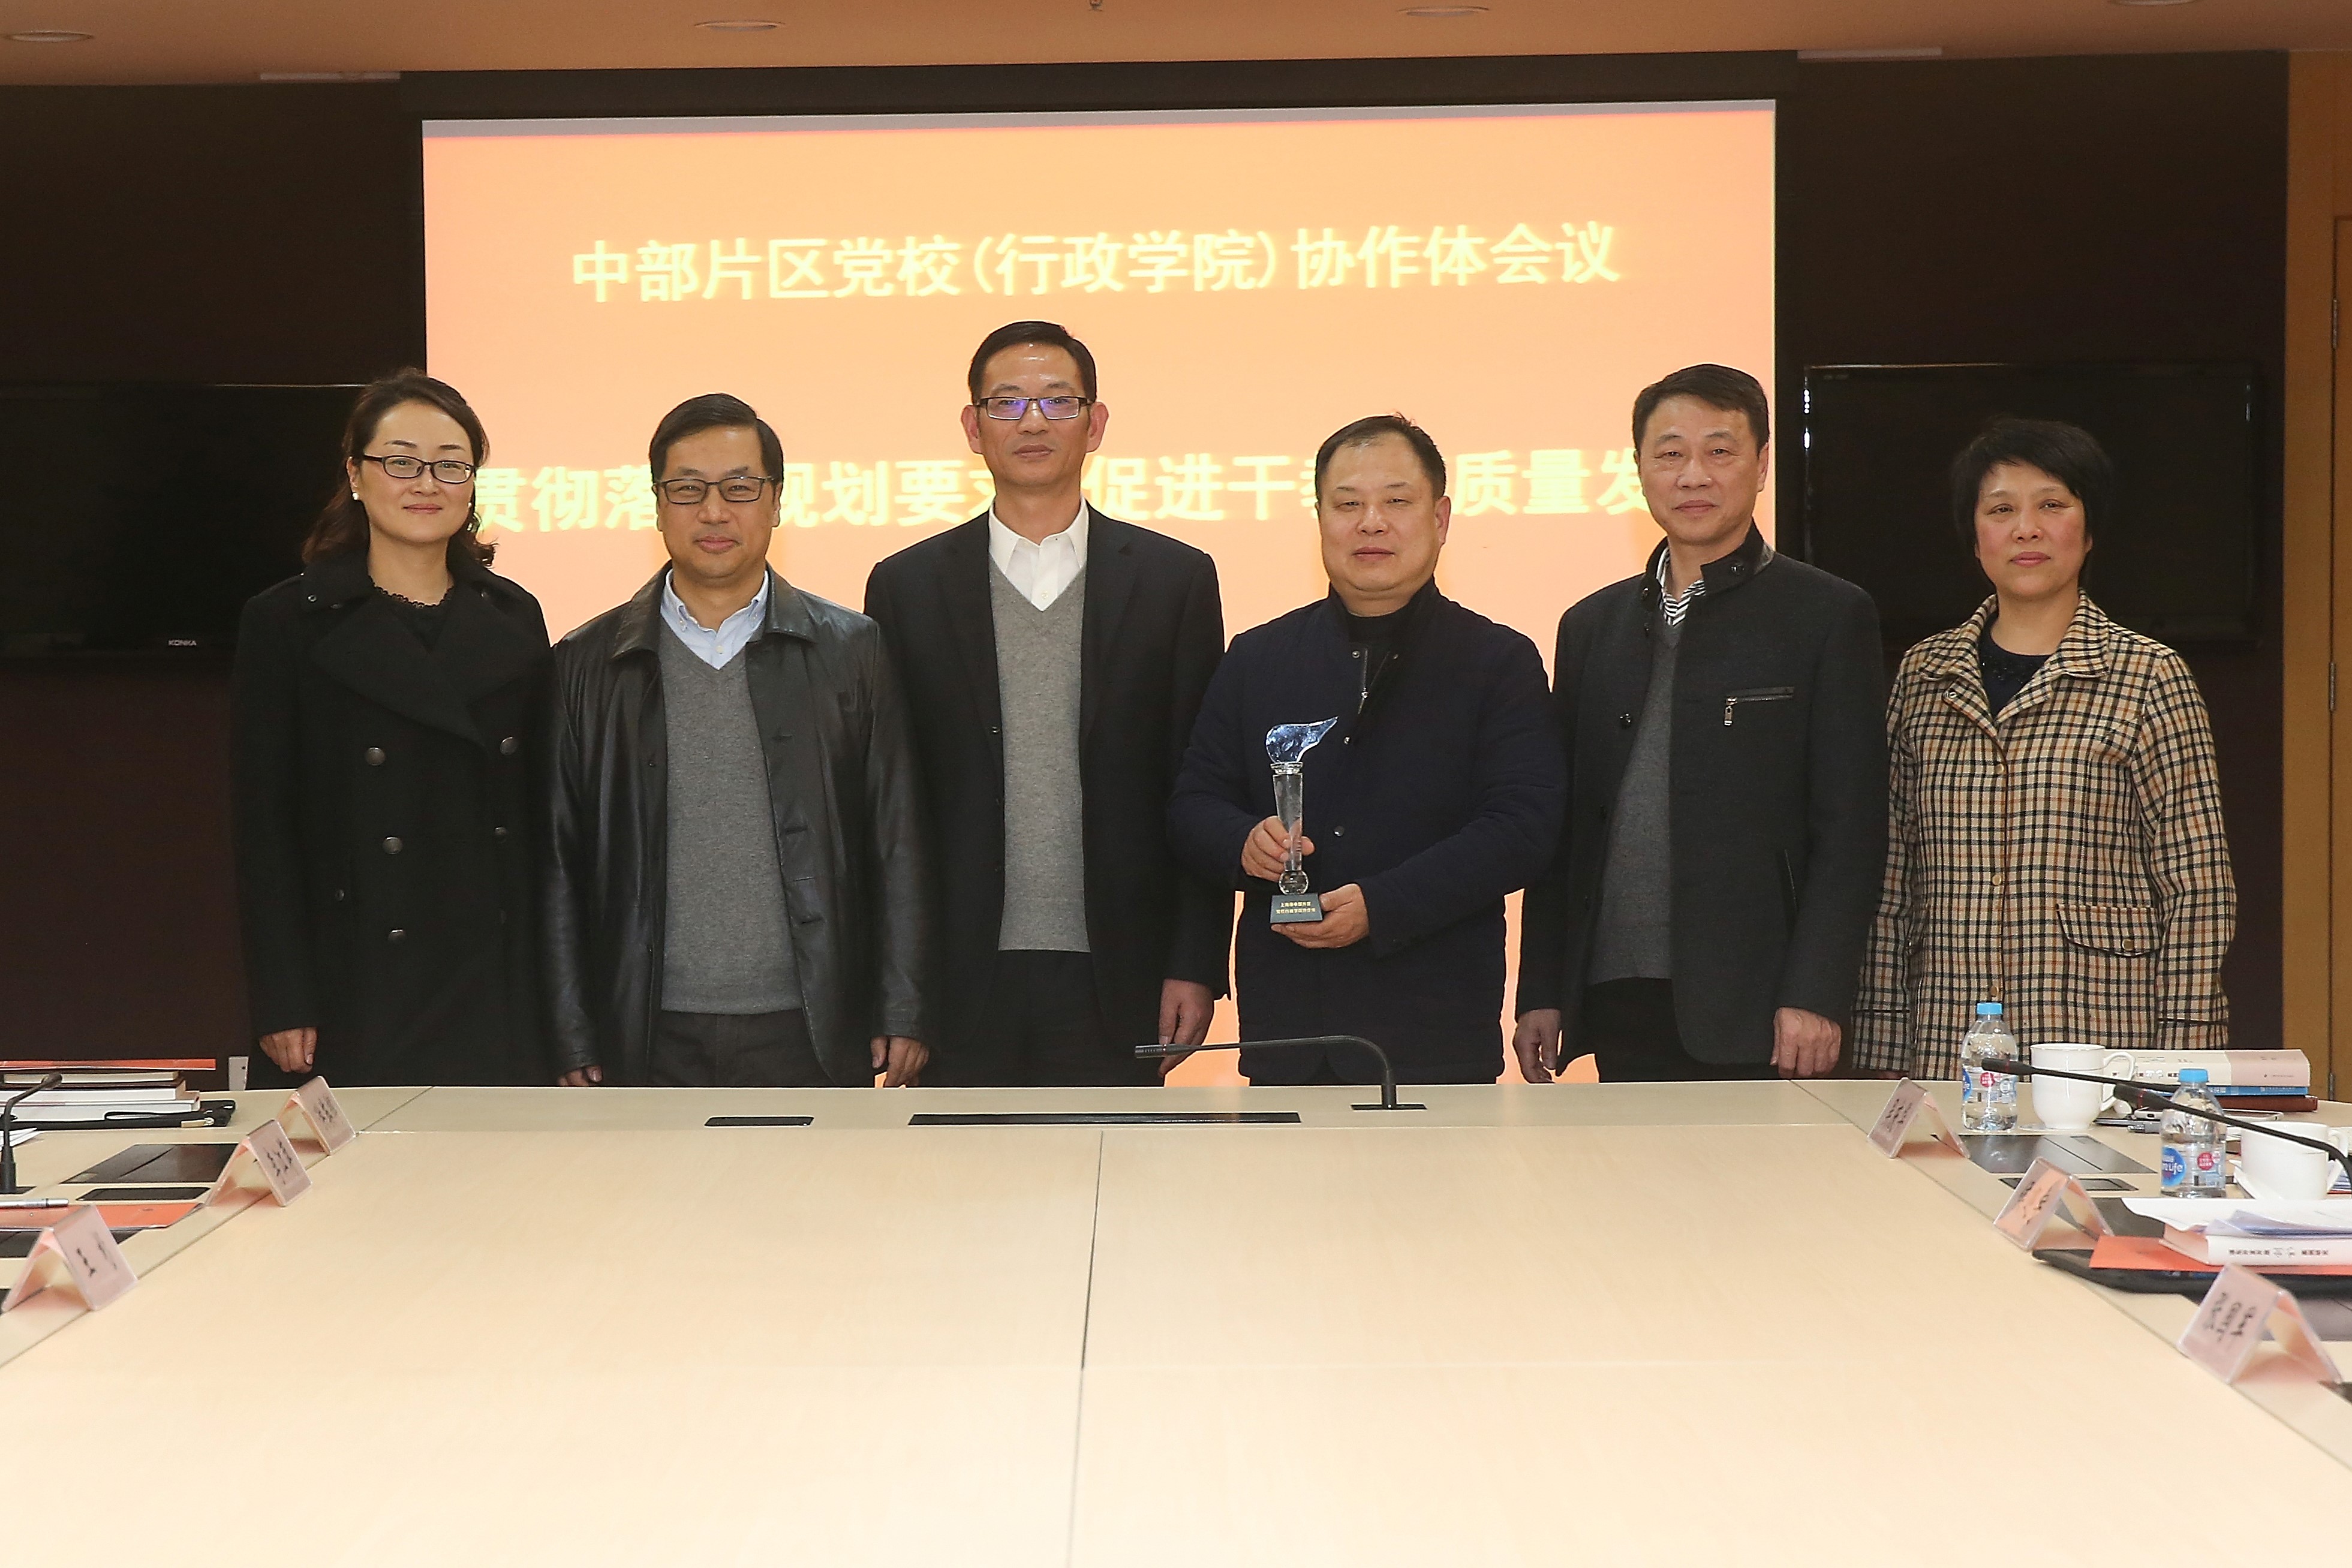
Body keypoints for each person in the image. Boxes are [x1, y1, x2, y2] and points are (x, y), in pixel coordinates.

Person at [865, 321, 1229, 1086]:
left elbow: (1197, 786)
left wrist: (1195, 962)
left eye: (1058, 401)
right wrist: (895, 989)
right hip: (957, 980)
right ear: (973, 428)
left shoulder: (1174, 581)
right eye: (1007, 402)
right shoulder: (906, 586)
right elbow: (890, 805)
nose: (1033, 421)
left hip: (1121, 974)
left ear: (1095, 424)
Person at [542, 393, 929, 1088]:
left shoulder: (851, 650)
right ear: (657, 505)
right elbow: (559, 861)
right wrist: (572, 1030)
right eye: (687, 489)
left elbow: (896, 837)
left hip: (809, 1024)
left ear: (775, 501)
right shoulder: (587, 661)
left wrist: (903, 1004)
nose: (714, 511)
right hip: (644, 1030)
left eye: (740, 488)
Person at [1514, 364, 1886, 1083]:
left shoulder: (1826, 614)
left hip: (1760, 1004)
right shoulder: (1591, 624)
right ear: (1639, 469)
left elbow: (1851, 829)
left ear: (1762, 464)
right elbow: (1565, 831)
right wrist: (1542, 989)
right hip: (1615, 988)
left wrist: (1816, 991)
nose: (1693, 475)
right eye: (1670, 453)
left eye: (1719, 451)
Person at [1168, 415, 1562, 1085]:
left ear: (1440, 517)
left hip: (1434, 1030)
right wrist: (1244, 841)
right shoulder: (1258, 657)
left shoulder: (1497, 660)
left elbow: (1523, 827)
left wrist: (1384, 904)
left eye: (1396, 501)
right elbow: (1193, 804)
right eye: (1347, 504)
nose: (1370, 523)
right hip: (1288, 1028)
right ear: (1320, 518)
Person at [1851, 419, 2234, 1074]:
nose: (2026, 528)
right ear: (1975, 537)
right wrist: (1881, 1039)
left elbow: (2197, 884)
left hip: (2101, 1033)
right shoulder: (1924, 673)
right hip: (1947, 1028)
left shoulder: (2149, 675)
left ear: (2088, 530)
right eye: (2001, 509)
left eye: (2051, 504)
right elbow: (1892, 875)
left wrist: (2184, 1053)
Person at [232, 369, 551, 1086]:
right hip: (351, 979)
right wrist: (283, 997)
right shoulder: (287, 621)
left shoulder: (513, 615)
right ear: (356, 474)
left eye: (450, 464)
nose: (426, 483)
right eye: (401, 462)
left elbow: (537, 816)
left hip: (493, 977)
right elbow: (264, 826)